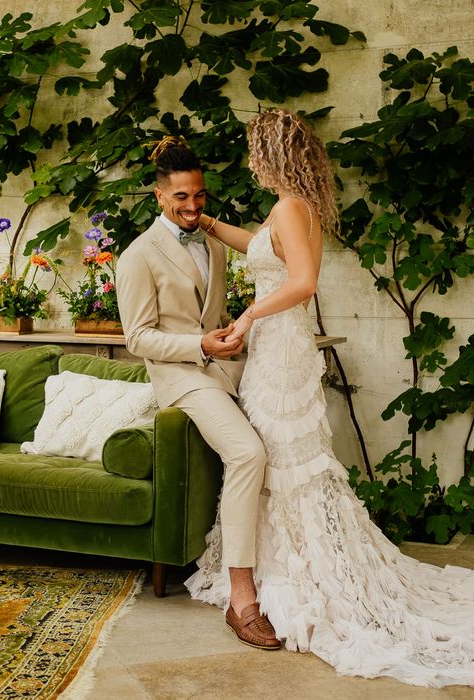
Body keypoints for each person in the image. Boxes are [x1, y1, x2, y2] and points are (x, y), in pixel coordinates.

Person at [185, 107, 474, 687]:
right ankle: (277, 560)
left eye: (254, 151)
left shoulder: (290, 207)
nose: (249, 161)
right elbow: (270, 255)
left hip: (281, 347)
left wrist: (246, 316)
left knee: (281, 458)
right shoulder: (292, 208)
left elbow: (301, 282)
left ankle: (306, 569)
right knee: (274, 457)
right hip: (278, 344)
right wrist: (216, 227)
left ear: (269, 155)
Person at [116, 137, 281, 651]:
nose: (192, 207)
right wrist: (199, 346)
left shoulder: (210, 243)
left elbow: (210, 318)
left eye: (200, 197)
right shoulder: (137, 256)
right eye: (181, 198)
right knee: (248, 452)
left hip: (222, 367)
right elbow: (137, 338)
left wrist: (230, 336)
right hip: (181, 378)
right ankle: (241, 599)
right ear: (160, 198)